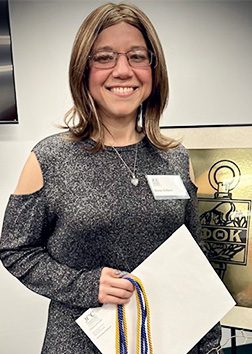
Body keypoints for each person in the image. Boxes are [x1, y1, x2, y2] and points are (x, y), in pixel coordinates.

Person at [0, 2, 222, 353]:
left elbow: (195, 262)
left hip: (171, 340)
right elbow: (15, 249)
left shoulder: (176, 159)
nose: (123, 70)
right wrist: (84, 285)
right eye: (104, 57)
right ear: (83, 70)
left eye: (137, 56)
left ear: (154, 68)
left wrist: (210, 343)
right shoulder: (49, 158)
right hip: (79, 342)